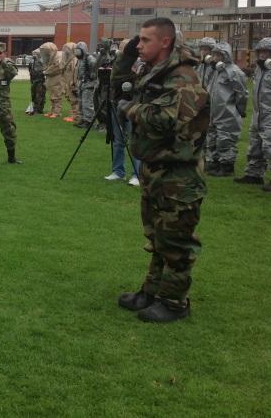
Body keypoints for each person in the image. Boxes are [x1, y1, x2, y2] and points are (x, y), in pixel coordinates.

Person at [113, 17, 209, 323]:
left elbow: (166, 118)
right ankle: (152, 292)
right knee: (156, 237)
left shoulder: (182, 77)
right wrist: (127, 55)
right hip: (156, 168)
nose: (139, 45)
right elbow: (117, 85)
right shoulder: (154, 72)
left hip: (178, 174)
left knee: (176, 241)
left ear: (165, 41)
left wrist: (129, 109)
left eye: (144, 40)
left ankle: (175, 301)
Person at [205, 41, 248, 177]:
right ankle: (214, 163)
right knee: (212, 137)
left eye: (219, 55)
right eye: (215, 55)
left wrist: (240, 109)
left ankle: (227, 166)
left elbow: (241, 93)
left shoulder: (234, 72)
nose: (216, 58)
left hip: (227, 112)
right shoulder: (215, 71)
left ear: (226, 56)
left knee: (225, 139)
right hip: (213, 111)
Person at [235, 37, 271, 191]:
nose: (263, 55)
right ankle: (254, 175)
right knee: (255, 145)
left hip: (269, 114)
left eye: (267, 52)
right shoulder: (259, 69)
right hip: (258, 113)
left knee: (270, 145)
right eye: (261, 52)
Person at [105, 38, 141, 186]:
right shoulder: (118, 64)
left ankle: (137, 174)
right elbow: (114, 81)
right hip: (117, 103)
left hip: (134, 105)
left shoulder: (139, 65)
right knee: (118, 140)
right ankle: (118, 171)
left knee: (134, 140)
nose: (121, 52)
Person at [74, 41, 97, 128]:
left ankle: (89, 121)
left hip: (88, 83)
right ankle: (83, 119)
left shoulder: (89, 58)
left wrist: (92, 76)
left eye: (79, 50)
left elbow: (95, 66)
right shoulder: (80, 60)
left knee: (87, 103)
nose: (77, 52)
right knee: (81, 103)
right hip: (82, 83)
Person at [39, 42, 63, 118]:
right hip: (51, 79)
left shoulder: (58, 57)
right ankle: (52, 111)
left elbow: (57, 68)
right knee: (52, 96)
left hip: (56, 79)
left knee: (56, 96)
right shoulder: (51, 58)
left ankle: (57, 112)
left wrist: (46, 71)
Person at [60, 42, 79, 123]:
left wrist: (73, 82)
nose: (66, 52)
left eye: (67, 50)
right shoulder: (69, 60)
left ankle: (75, 116)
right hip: (68, 83)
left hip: (72, 83)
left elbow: (75, 72)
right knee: (71, 99)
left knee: (74, 100)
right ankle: (73, 114)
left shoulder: (74, 60)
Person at [27, 48, 46, 116]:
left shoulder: (42, 61)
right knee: (33, 95)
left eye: (35, 53)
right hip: (34, 80)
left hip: (40, 80)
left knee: (40, 95)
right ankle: (34, 108)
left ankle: (38, 109)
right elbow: (30, 70)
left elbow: (44, 69)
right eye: (33, 53)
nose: (34, 55)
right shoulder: (31, 61)